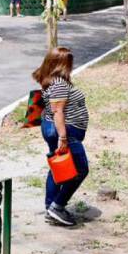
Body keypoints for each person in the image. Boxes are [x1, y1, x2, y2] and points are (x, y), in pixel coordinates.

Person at [33, 47, 90, 227]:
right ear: (61, 64)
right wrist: (63, 138)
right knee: (80, 169)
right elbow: (58, 112)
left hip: (60, 130)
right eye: (69, 63)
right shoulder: (59, 83)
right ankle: (57, 206)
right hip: (66, 132)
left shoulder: (51, 81)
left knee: (58, 169)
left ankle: (51, 207)